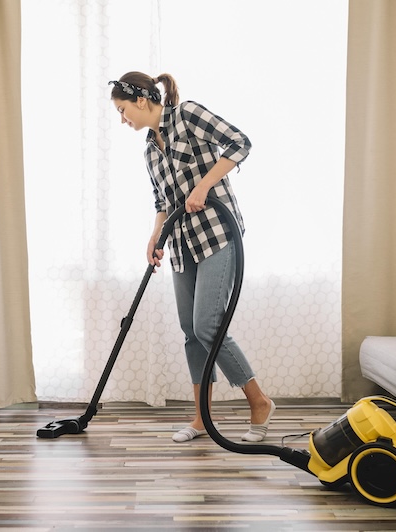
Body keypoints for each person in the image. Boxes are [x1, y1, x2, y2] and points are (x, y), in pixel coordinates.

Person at [109, 71, 275, 443]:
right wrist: (155, 235)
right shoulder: (150, 149)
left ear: (140, 100)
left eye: (122, 110)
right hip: (182, 246)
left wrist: (204, 185)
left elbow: (239, 142)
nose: (123, 120)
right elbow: (162, 201)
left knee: (207, 326)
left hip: (218, 235)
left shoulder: (188, 115)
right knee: (191, 334)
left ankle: (259, 401)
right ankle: (202, 419)